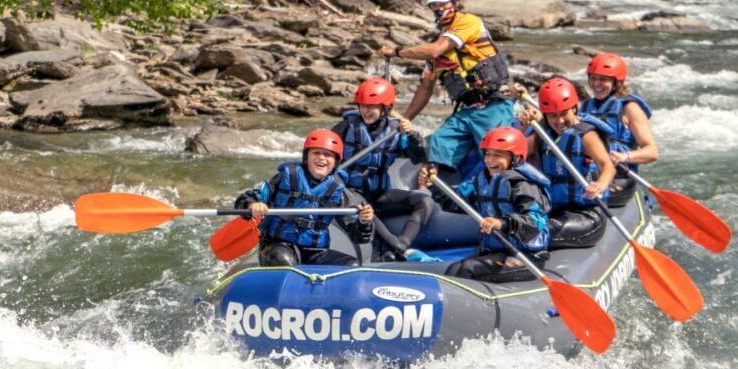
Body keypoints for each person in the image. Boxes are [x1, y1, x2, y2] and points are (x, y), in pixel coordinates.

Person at [376, 0, 512, 173]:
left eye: (442, 3)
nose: (438, 9)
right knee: (439, 143)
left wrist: (397, 52)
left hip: (493, 106)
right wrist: (406, 119)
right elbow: (425, 89)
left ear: (455, 2)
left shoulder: (469, 23)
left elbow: (434, 50)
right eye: (433, 5)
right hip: (467, 112)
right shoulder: (438, 45)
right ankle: (438, 194)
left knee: (494, 151)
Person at [418, 127, 551, 281]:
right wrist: (434, 186)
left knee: (467, 269)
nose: (490, 160)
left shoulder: (522, 185)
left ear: (515, 158)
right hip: (495, 251)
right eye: (488, 154)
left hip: (526, 256)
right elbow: (455, 202)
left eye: (498, 155)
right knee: (454, 269)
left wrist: (502, 223)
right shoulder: (482, 180)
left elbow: (536, 221)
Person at [331, 77, 436, 262]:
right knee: (366, 209)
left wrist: (412, 135)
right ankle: (400, 251)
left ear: (386, 108)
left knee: (425, 201)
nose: (365, 111)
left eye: (371, 106)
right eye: (362, 105)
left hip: (380, 192)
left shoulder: (396, 131)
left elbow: (418, 157)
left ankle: (401, 245)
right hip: (351, 194)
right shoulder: (345, 128)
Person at [234, 129, 375, 266]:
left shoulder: (338, 190)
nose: (321, 158)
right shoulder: (286, 177)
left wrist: (364, 222)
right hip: (278, 245)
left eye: (328, 155)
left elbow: (357, 236)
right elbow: (248, 197)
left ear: (335, 162)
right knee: (284, 261)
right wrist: (253, 204)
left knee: (352, 265)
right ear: (306, 157)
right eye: (316, 153)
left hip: (315, 251)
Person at [518, 77, 615, 249]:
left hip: (587, 216)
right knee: (517, 226)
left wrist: (600, 184)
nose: (560, 121)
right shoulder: (543, 134)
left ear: (575, 108)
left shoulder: (586, 136)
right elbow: (514, 153)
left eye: (564, 113)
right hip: (554, 211)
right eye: (553, 115)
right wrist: (522, 128)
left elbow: (607, 166)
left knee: (531, 232)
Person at [581, 52, 658, 206]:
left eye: (603, 79)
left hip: (620, 178)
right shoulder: (587, 106)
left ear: (617, 82)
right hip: (590, 174)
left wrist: (625, 156)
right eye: (593, 78)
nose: (596, 84)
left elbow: (652, 152)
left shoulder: (629, 108)